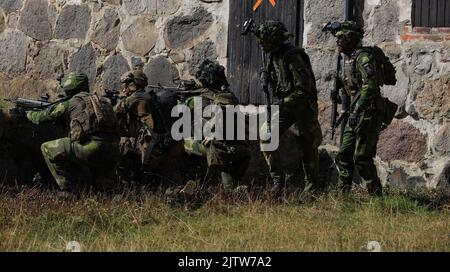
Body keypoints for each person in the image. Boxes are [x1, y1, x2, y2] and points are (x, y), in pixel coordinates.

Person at [254, 20, 323, 194]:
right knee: (267, 135)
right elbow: (270, 72)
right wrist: (264, 76)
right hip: (285, 106)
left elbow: (304, 90)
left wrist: (283, 103)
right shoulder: (272, 55)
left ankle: (312, 188)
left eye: (264, 41)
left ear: (274, 40)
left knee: (309, 145)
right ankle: (278, 182)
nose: (262, 44)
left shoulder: (293, 57)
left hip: (302, 107)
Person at [26, 72, 120, 193]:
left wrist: (28, 114)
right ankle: (107, 192)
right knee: (105, 190)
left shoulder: (72, 102)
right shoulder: (103, 101)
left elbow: (43, 117)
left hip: (92, 149)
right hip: (113, 151)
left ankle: (67, 190)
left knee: (47, 148)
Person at [330, 21, 390, 196]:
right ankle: (343, 194)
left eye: (341, 38)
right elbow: (353, 85)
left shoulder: (363, 57)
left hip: (368, 111)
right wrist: (341, 89)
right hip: (356, 112)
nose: (338, 42)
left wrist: (356, 110)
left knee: (362, 158)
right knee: (344, 153)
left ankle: (376, 195)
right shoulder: (349, 59)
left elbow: (370, 86)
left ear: (350, 39)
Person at [183, 59, 251, 191]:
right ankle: (233, 184)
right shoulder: (228, 96)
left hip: (220, 149)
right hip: (242, 147)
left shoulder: (199, 99)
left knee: (185, 143)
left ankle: (227, 189)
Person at [115, 68, 184, 184]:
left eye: (126, 84)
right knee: (168, 176)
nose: (124, 88)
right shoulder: (151, 97)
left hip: (152, 145)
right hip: (170, 141)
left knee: (123, 147)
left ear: (132, 84)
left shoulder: (135, 98)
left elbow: (115, 114)